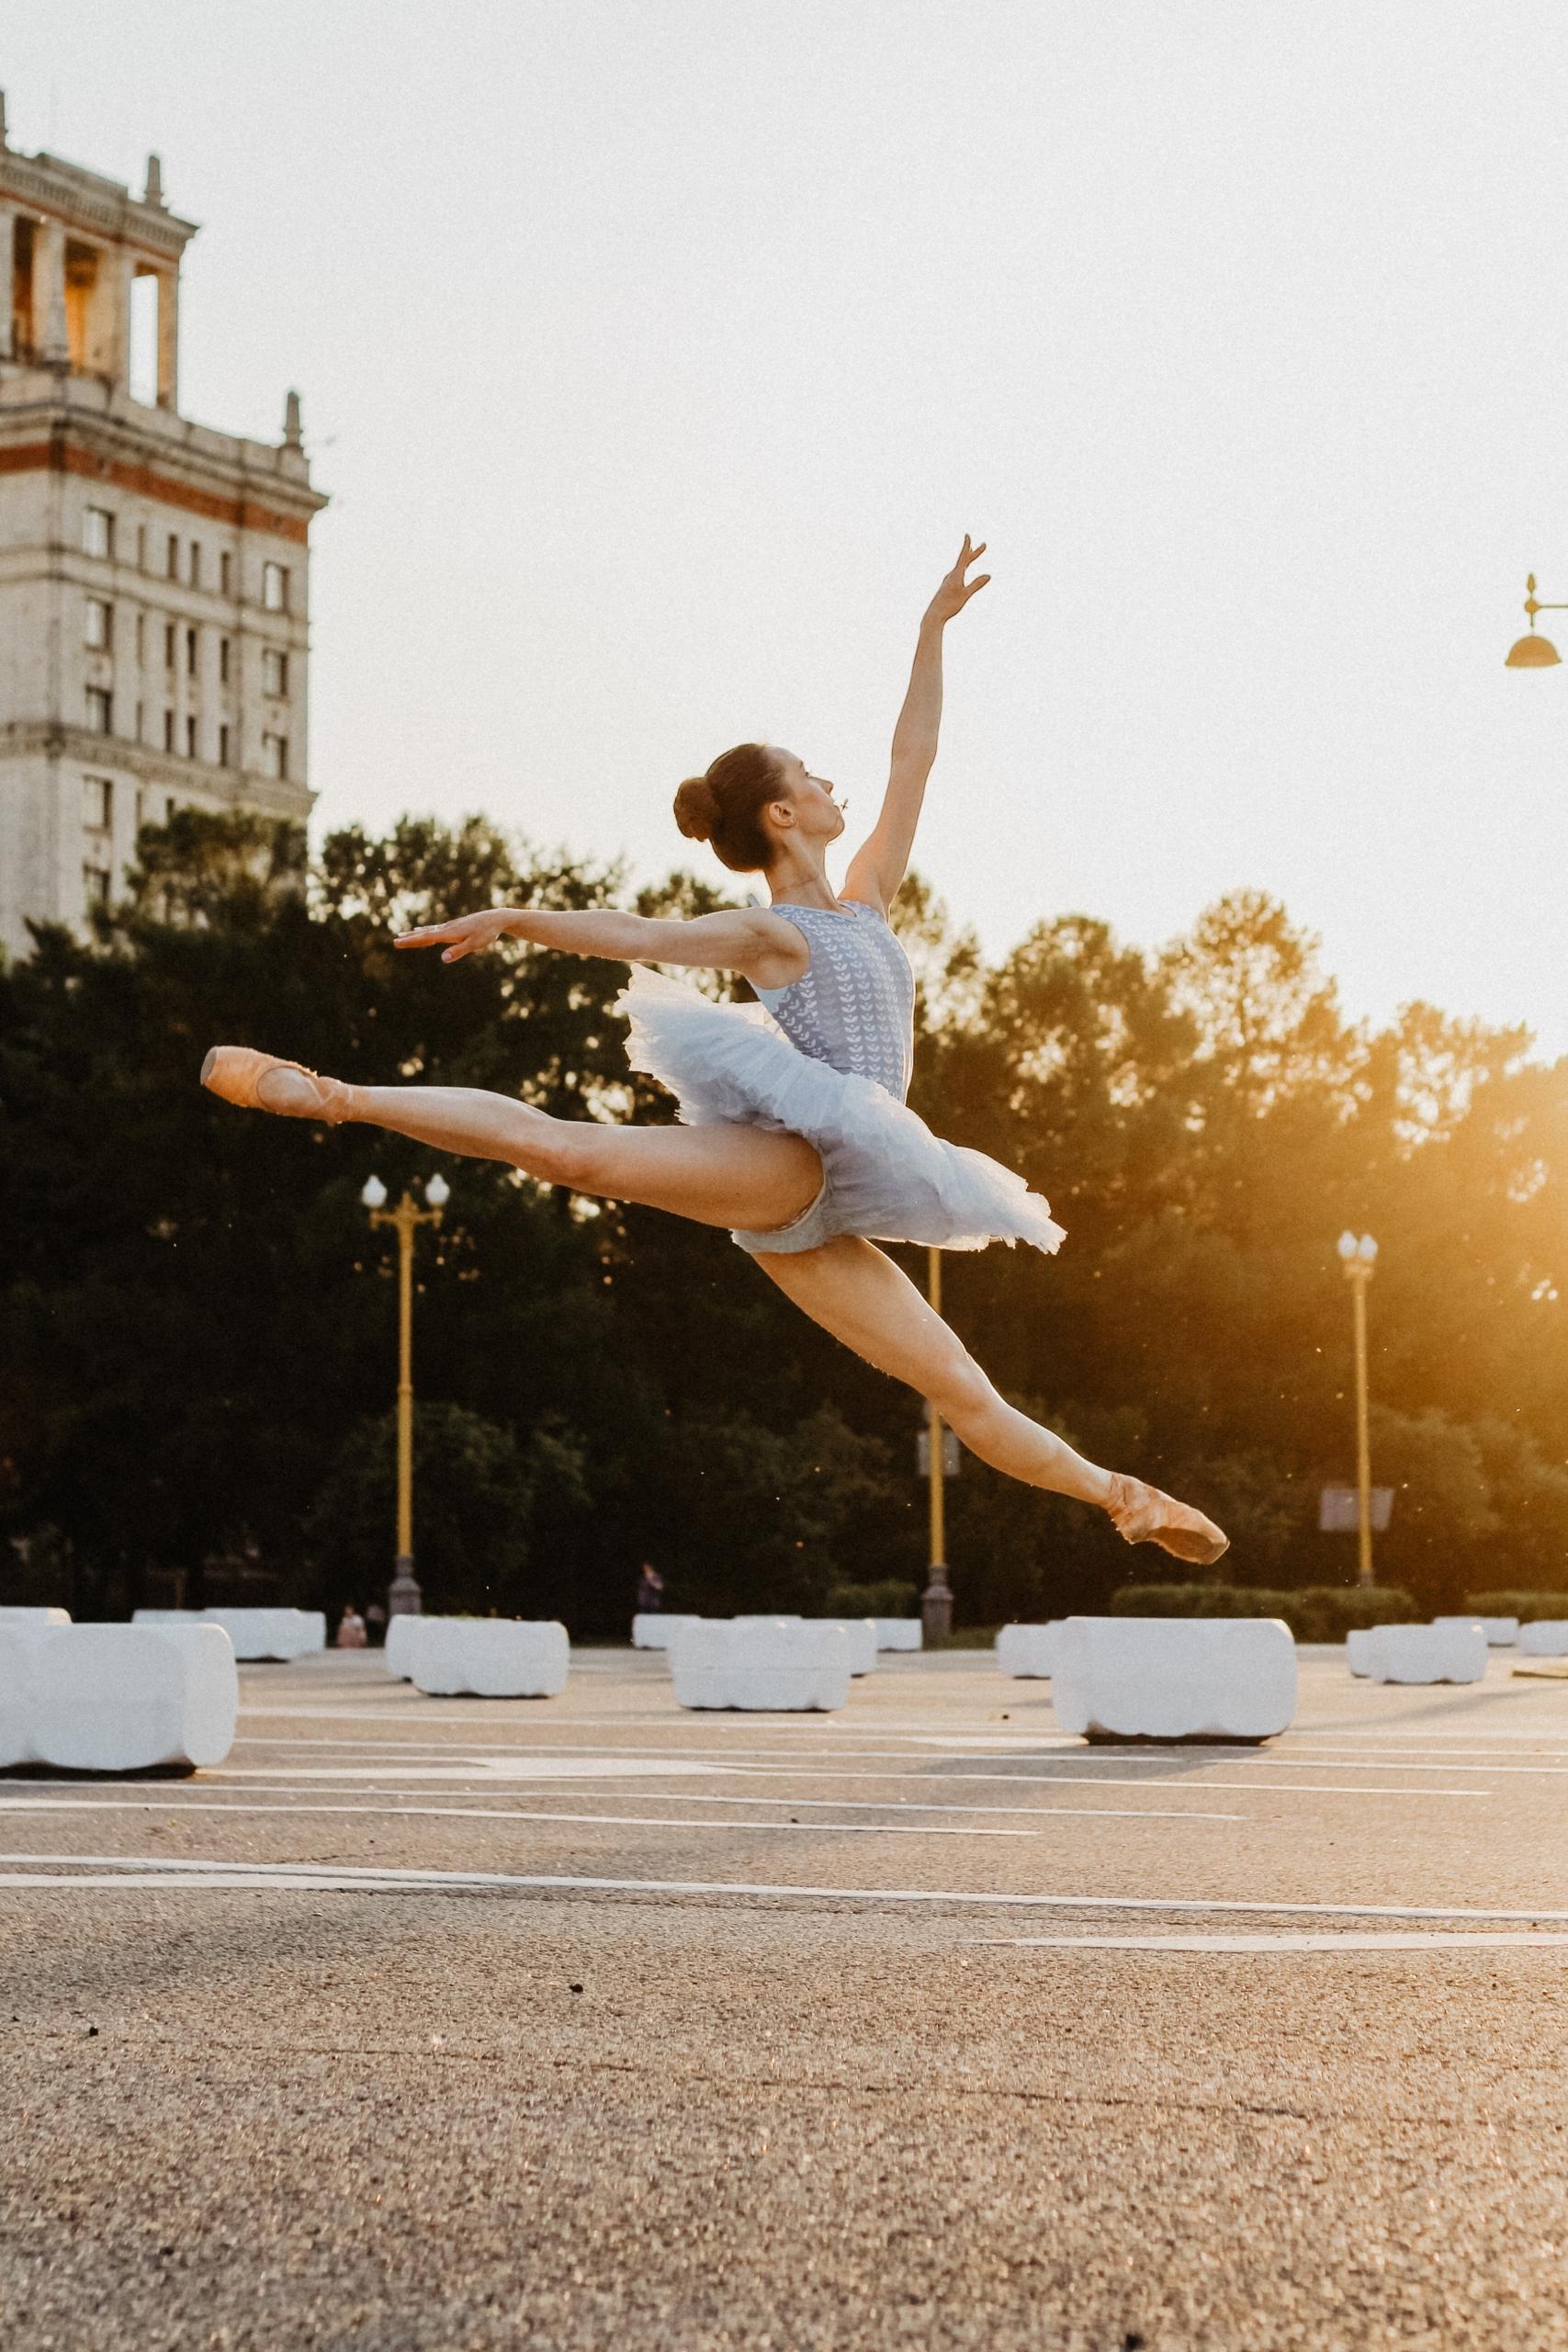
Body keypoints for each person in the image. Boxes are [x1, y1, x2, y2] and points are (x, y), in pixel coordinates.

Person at [200, 539, 1224, 1565]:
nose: (835, 782)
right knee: (574, 1154)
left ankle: (1120, 1496)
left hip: (854, 1189)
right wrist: (516, 916)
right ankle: (329, 1093)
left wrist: (929, 633)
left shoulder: (867, 900)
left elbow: (915, 760)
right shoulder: (775, 933)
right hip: (793, 1162)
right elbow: (642, 936)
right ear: (784, 814)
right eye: (813, 776)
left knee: (957, 1387)